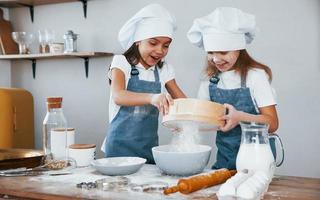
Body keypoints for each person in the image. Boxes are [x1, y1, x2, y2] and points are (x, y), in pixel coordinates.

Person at [187, 7, 279, 170]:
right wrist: (183, 124)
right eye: (211, 52)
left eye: (223, 52)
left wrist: (240, 117)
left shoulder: (256, 77)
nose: (216, 59)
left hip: (258, 164)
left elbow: (272, 123)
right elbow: (203, 119)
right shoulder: (209, 81)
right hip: (225, 163)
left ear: (239, 49)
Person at [102, 4, 186, 164]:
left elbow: (182, 101)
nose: (160, 50)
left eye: (166, 45)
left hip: (148, 148)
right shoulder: (122, 63)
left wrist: (181, 120)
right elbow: (118, 96)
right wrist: (153, 98)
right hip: (118, 149)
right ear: (137, 41)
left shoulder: (164, 70)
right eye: (153, 43)